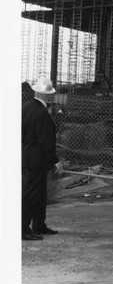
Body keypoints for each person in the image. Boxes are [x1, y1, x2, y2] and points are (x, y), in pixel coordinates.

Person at [22, 77, 62, 240]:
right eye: (50, 94)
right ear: (47, 96)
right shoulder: (42, 113)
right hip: (38, 158)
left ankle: (39, 225)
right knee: (32, 193)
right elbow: (46, 141)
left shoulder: (26, 107)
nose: (51, 97)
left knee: (39, 192)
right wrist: (56, 161)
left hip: (28, 155)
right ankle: (23, 228)